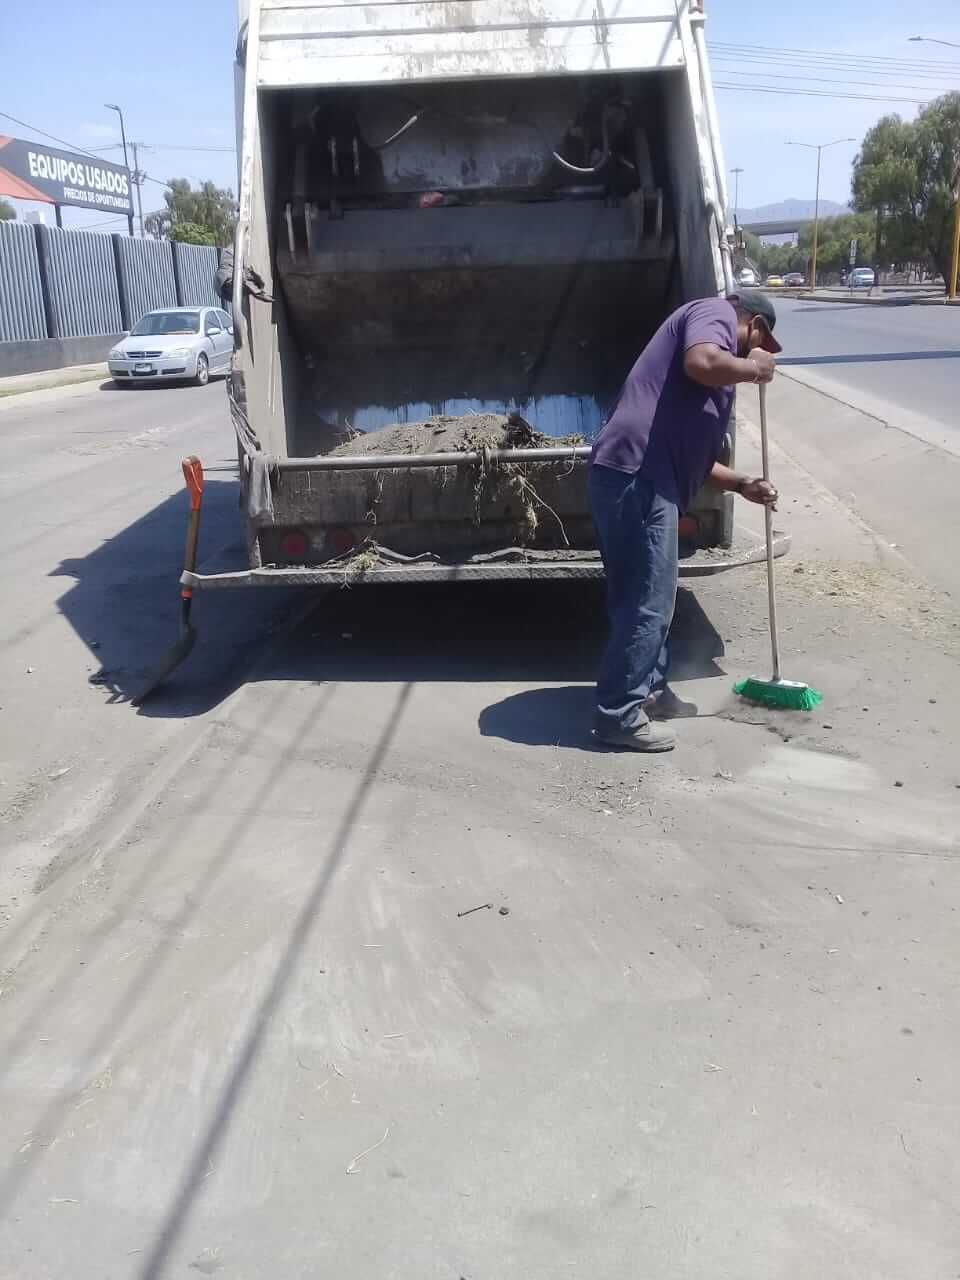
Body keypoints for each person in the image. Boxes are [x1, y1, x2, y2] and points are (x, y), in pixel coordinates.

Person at [589, 289, 782, 753]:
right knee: (650, 601)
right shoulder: (713, 312)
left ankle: (648, 694)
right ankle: (619, 715)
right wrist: (756, 368)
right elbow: (703, 361)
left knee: (642, 597)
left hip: (635, 475)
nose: (755, 355)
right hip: (639, 476)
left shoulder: (709, 380)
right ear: (753, 325)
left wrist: (740, 484)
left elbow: (695, 457)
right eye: (760, 343)